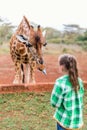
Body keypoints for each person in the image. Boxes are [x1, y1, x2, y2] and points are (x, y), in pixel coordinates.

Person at [50, 54, 84, 130]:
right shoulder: (80, 81)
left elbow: (54, 103)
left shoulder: (60, 82)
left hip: (64, 121)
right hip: (77, 121)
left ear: (62, 67)